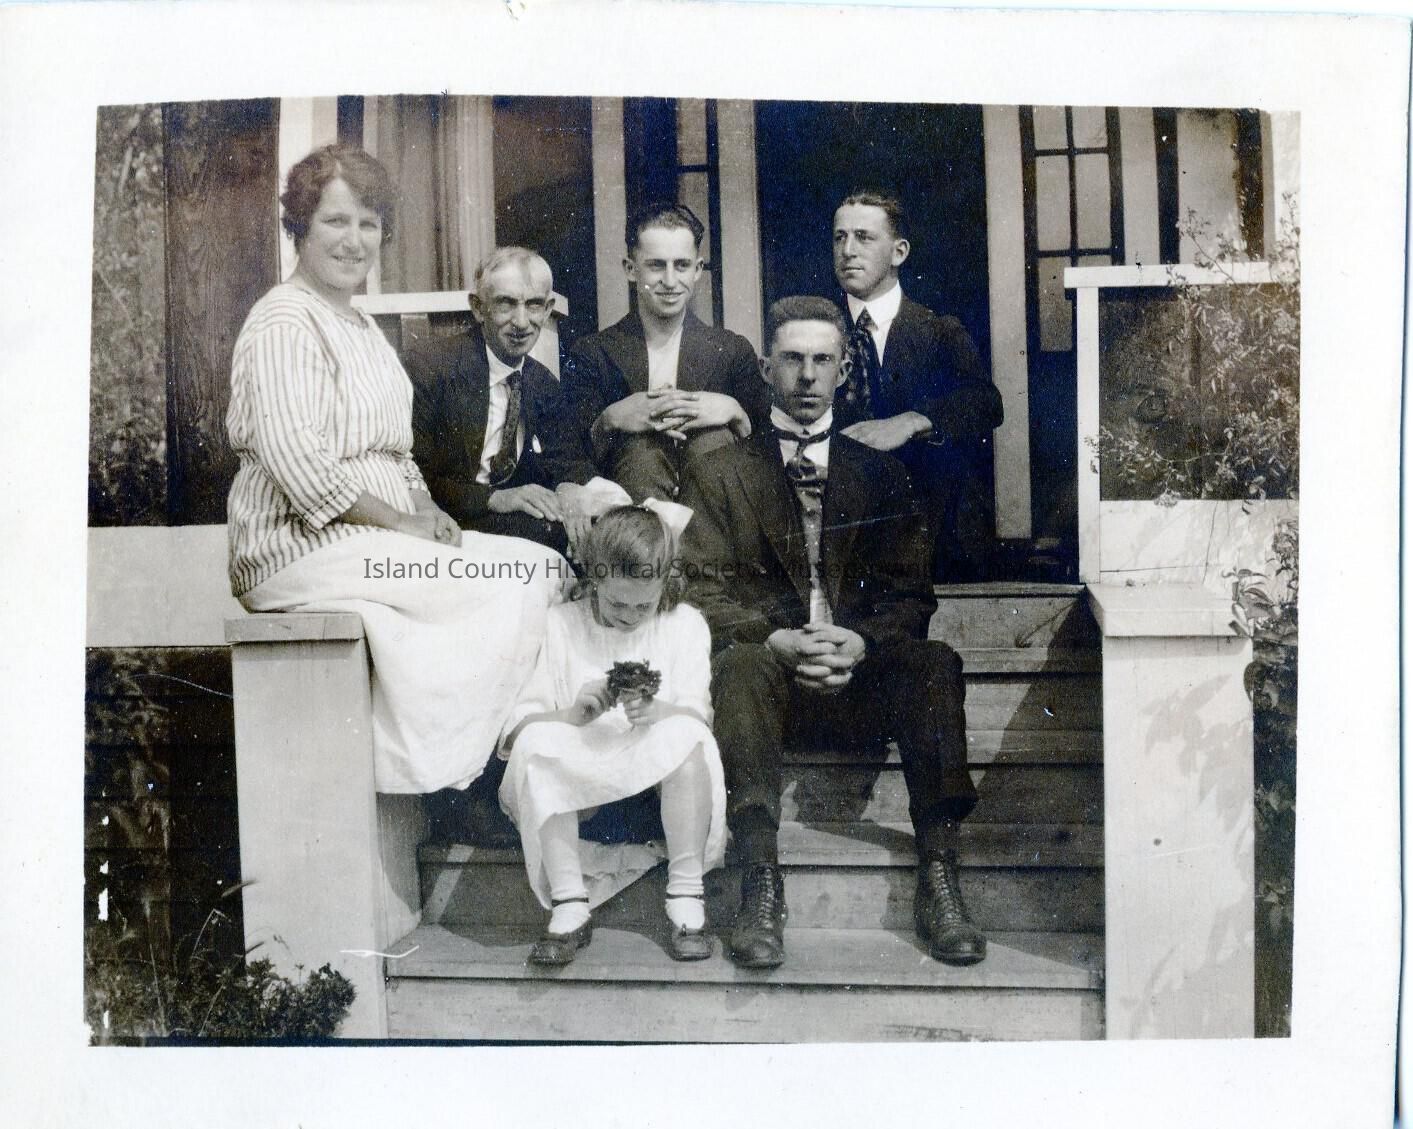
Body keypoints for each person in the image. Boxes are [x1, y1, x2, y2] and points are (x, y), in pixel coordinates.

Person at [227, 144, 566, 799]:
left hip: (367, 541)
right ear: (299, 226)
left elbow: (400, 451)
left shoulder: (358, 327)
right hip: (299, 548)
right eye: (335, 221)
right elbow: (299, 463)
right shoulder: (282, 321)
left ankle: (482, 759)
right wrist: (399, 522)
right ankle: (458, 776)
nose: (353, 241)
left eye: (368, 224)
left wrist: (427, 511)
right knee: (513, 580)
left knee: (543, 568)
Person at [678, 296, 985, 970]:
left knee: (933, 662)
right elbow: (700, 587)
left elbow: (910, 594)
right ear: (766, 369)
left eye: (822, 360)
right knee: (738, 665)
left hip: (860, 683)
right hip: (769, 692)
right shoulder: (719, 472)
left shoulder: (882, 472)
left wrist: (860, 641)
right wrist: (777, 638)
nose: (807, 375)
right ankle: (760, 882)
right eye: (792, 359)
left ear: (844, 370)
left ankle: (939, 872)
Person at [499, 504, 726, 965]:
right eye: (617, 604)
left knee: (686, 734)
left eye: (644, 605)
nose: (630, 617)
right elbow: (518, 728)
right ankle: (569, 903)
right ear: (595, 579)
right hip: (580, 785)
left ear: (664, 583)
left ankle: (685, 895)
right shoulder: (561, 624)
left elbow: (698, 717)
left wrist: (658, 710)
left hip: (658, 788)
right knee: (537, 743)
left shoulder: (683, 624)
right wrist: (572, 715)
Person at [405, 246, 629, 560]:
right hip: (447, 524)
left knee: (609, 535)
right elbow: (413, 476)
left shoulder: (541, 381)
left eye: (533, 304)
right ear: (478, 308)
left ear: (548, 310)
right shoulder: (433, 368)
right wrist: (494, 498)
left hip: (507, 524)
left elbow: (569, 458)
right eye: (506, 304)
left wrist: (569, 487)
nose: (521, 322)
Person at [831, 190, 1004, 579]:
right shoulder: (815, 330)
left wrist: (911, 421)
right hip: (838, 525)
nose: (848, 250)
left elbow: (985, 401)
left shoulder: (938, 330)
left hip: (928, 526)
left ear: (899, 252)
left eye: (864, 237)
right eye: (840, 237)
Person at [562, 202, 769, 502]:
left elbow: (769, 452)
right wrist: (609, 419)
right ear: (630, 269)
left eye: (682, 265)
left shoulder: (732, 351)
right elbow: (569, 458)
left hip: (715, 515)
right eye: (656, 265)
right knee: (640, 454)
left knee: (712, 443)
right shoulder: (593, 353)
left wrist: (736, 412)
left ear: (698, 269)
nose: (670, 281)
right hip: (633, 515)